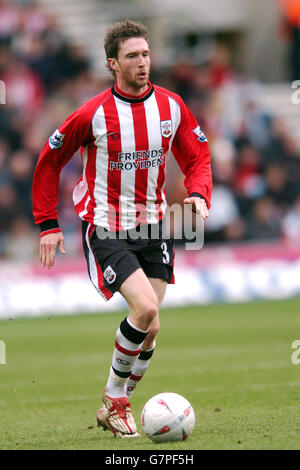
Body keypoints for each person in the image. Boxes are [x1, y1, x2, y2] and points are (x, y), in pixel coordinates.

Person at [32, 19, 212, 438]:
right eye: (132, 56)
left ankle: (115, 402)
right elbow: (48, 160)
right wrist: (47, 224)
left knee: (151, 330)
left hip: (155, 226)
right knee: (145, 309)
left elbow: (198, 153)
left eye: (146, 54)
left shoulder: (171, 107)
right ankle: (115, 400)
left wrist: (199, 193)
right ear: (114, 64)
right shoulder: (92, 113)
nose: (143, 62)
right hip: (108, 226)